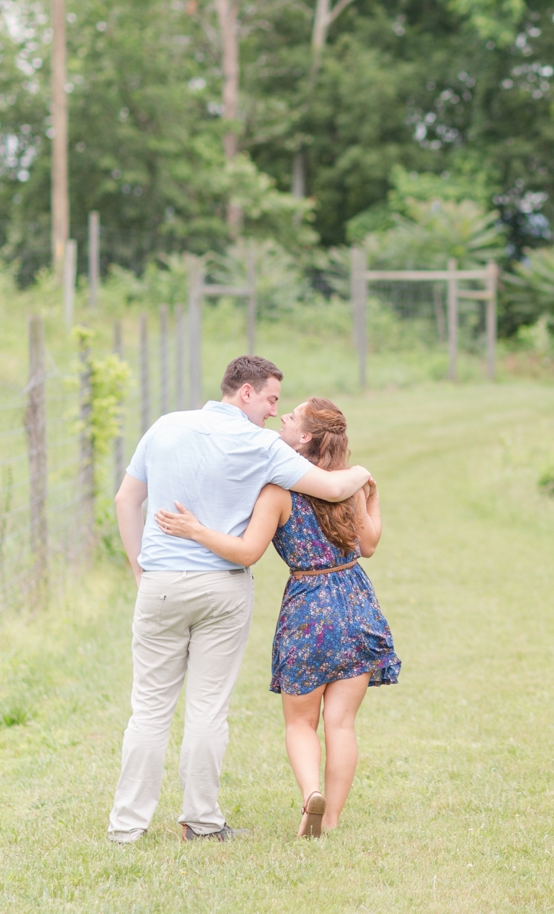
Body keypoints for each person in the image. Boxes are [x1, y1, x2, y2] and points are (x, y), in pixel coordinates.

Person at [108, 357, 372, 844]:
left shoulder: (165, 426)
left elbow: (127, 500)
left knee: (148, 710)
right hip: (223, 585)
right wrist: (363, 473)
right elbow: (334, 486)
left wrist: (139, 570)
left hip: (161, 581)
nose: (274, 412)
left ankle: (127, 827)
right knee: (208, 709)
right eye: (272, 398)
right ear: (246, 393)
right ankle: (202, 823)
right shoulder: (260, 445)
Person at [155, 397, 398, 839]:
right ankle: (335, 818)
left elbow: (248, 551)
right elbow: (370, 545)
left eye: (291, 417)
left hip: (307, 608)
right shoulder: (348, 483)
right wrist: (373, 497)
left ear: (304, 436)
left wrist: (196, 531)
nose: (282, 416)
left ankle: (311, 796)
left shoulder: (276, 491)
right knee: (341, 722)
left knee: (299, 722)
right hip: (355, 600)